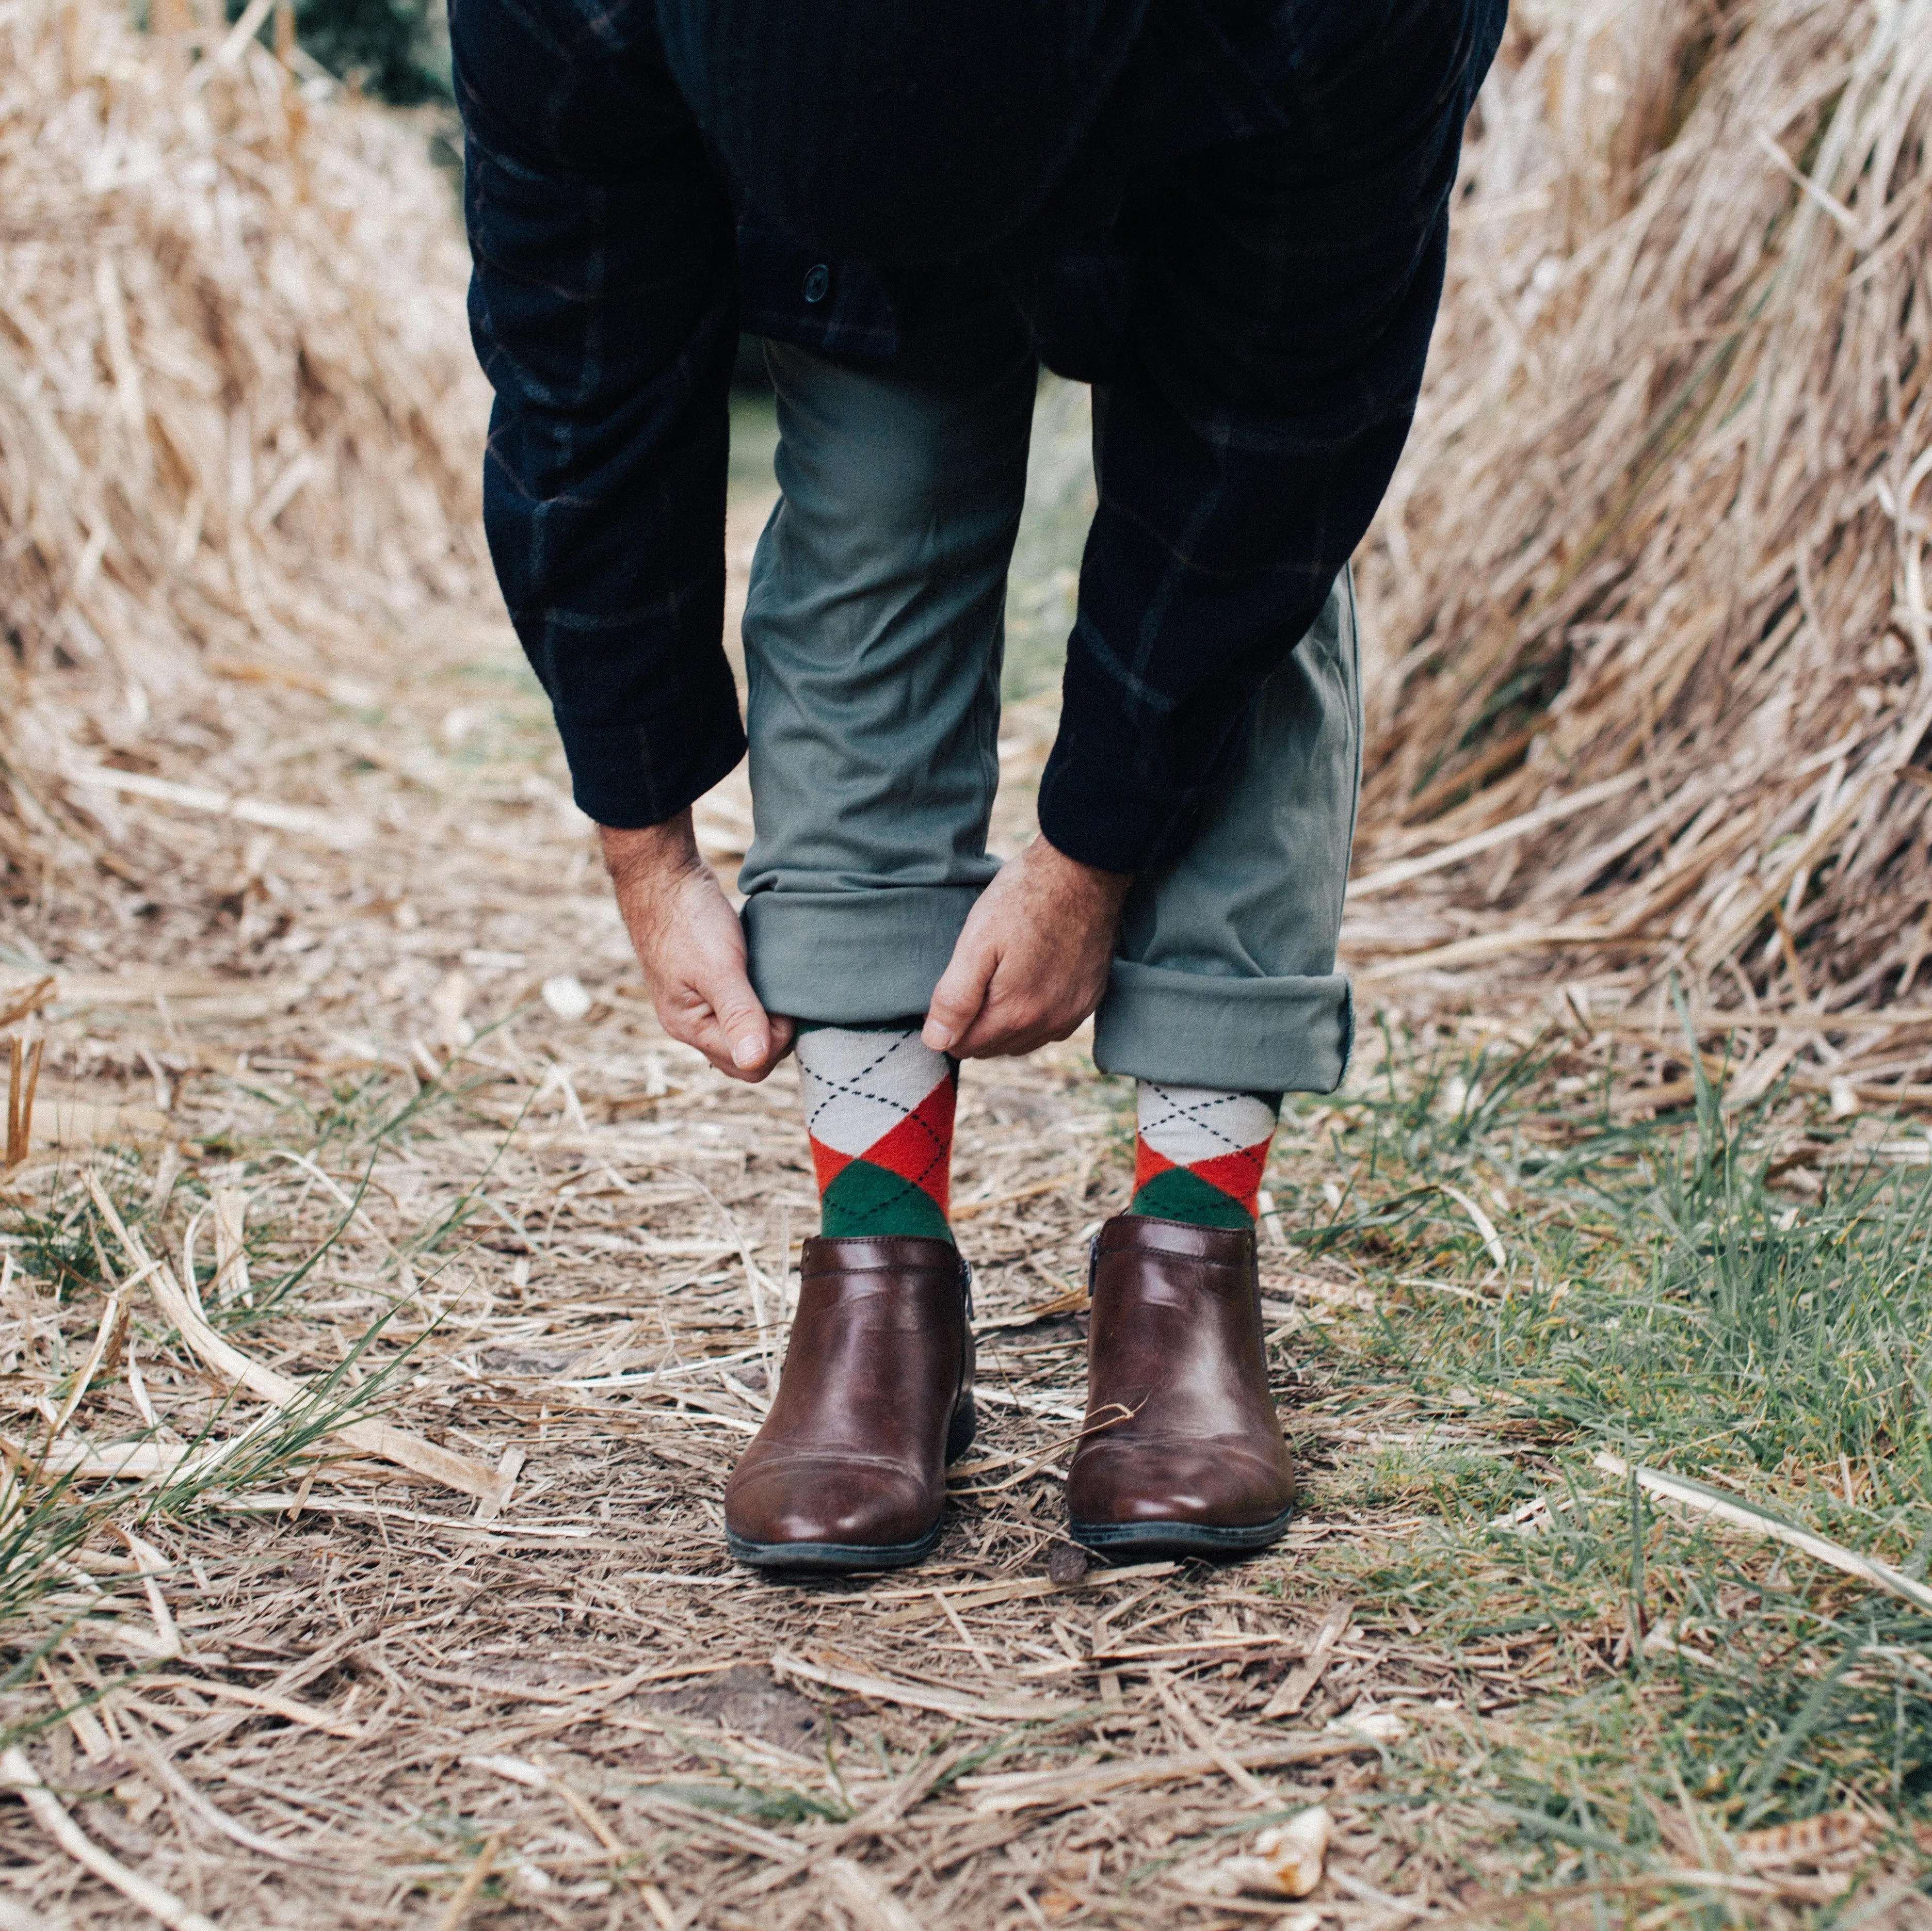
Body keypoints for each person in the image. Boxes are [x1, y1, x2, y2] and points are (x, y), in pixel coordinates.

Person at [451, 0, 1505, 1570]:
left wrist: (1092, 857)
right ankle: (880, 1271)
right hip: (844, 120)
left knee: (1245, 608)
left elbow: (1272, 452)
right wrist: (644, 839)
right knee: (870, 524)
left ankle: (1188, 1253)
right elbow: (580, 383)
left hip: (1225, 108)